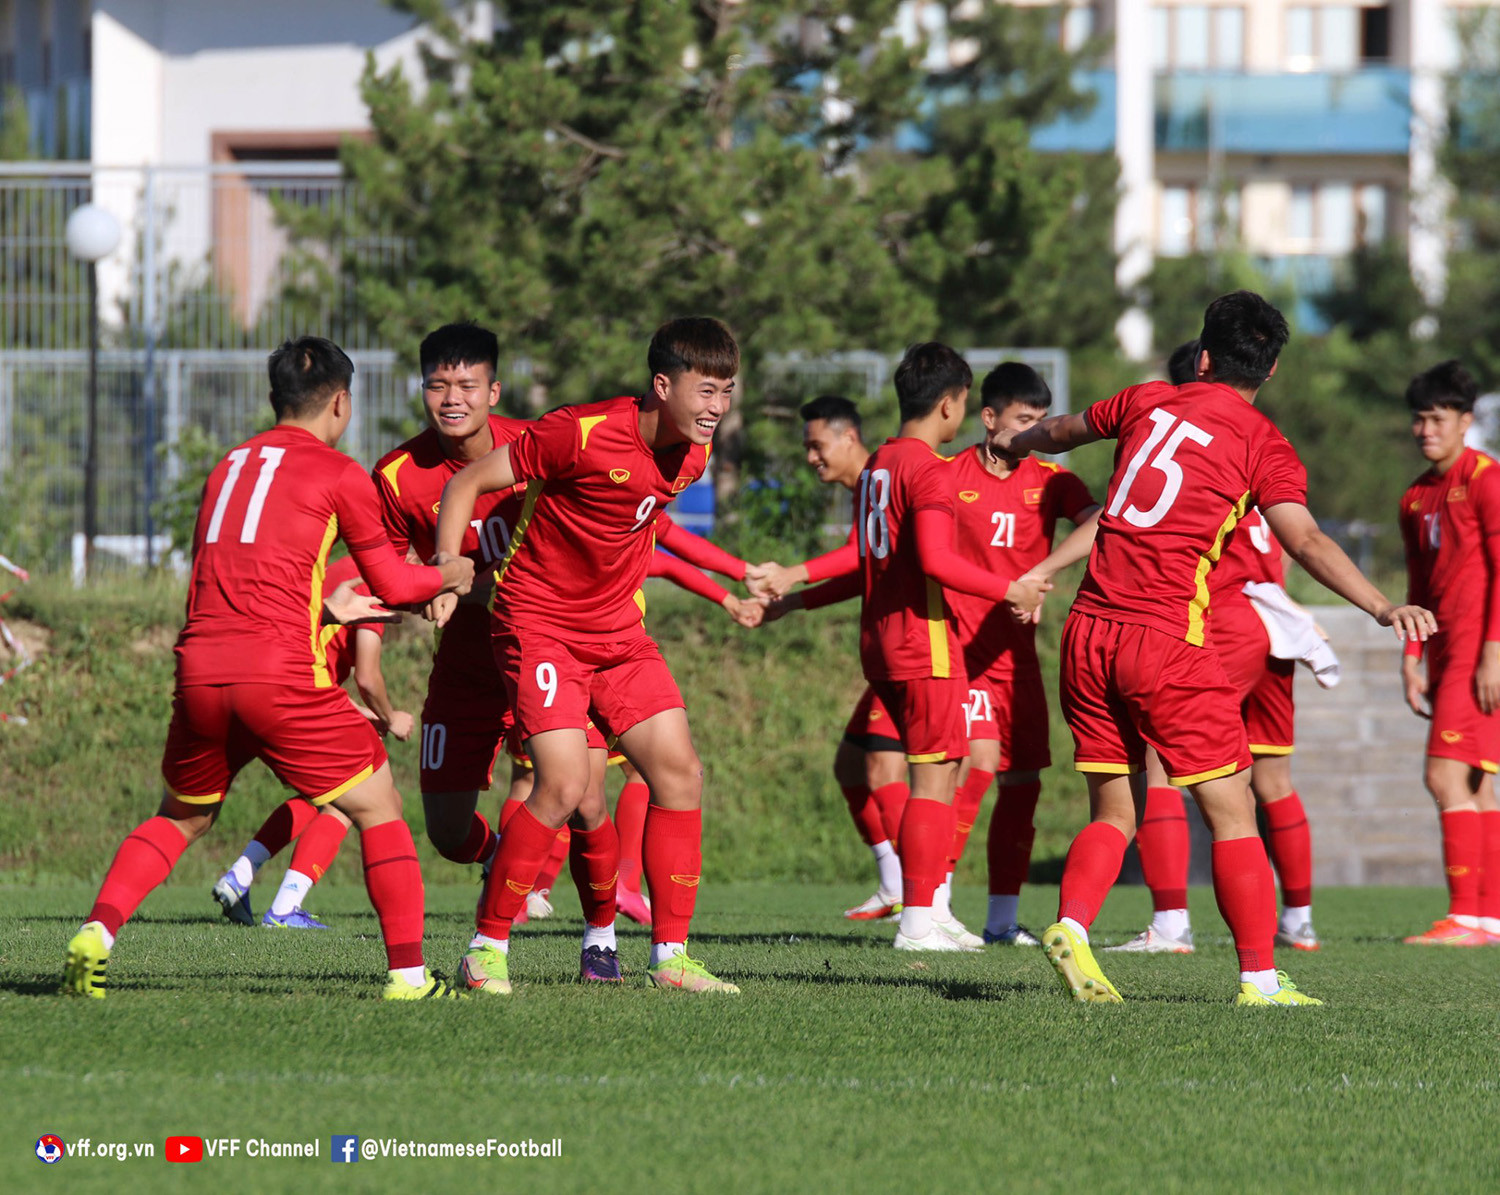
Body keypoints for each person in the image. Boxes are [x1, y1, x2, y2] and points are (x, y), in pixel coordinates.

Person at [996, 291, 1434, 1006]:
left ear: (1201, 357)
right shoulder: (1263, 442)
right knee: (1232, 810)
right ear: (1272, 370)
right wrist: (1383, 604)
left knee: (1114, 810)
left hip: (1087, 631)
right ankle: (1261, 979)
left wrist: (1014, 442)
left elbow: (1060, 431)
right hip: (1165, 638)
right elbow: (1307, 540)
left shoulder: (1144, 400)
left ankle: (1071, 925)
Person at [61, 336, 475, 1001]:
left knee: (181, 816)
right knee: (378, 806)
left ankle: (95, 934)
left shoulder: (227, 466)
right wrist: (453, 569)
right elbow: (397, 587)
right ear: (341, 402)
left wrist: (324, 610)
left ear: (272, 397)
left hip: (200, 666)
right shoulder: (340, 472)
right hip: (281, 673)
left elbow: (232, 577)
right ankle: (407, 975)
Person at [434, 316, 741, 994]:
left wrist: (731, 576)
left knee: (680, 773)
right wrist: (448, 566)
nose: (718, 406)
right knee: (564, 786)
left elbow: (634, 523)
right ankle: (485, 949)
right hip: (538, 624)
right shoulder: (578, 431)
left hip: (618, 636)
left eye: (727, 391)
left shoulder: (694, 453)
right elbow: (466, 485)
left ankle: (670, 959)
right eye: (706, 390)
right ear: (663, 385)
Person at [768, 343, 1047, 951]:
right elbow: (937, 560)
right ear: (951, 404)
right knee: (936, 774)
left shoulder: (877, 467)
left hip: (881, 643)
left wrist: (799, 598)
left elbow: (870, 565)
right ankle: (918, 921)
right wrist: (1011, 587)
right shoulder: (931, 468)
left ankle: (934, 912)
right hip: (925, 644)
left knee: (939, 773)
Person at [1106, 342, 1327, 956]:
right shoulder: (1264, 445)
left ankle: (1171, 923)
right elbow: (1292, 538)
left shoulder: (1188, 440)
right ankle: (1300, 919)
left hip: (1219, 623)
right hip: (1275, 627)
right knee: (1272, 778)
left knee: (1161, 770)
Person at [943, 363, 1100, 946]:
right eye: (1023, 422)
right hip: (961, 653)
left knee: (1023, 784)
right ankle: (929, 907)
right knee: (976, 766)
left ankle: (1001, 921)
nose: (1033, 433)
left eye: (1041, 423)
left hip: (1019, 662)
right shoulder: (949, 476)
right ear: (989, 420)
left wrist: (1041, 572)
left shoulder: (1051, 480)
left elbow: (1101, 524)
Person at [748, 396, 910, 920]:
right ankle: (895, 886)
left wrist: (794, 573)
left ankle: (929, 900)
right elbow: (859, 571)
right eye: (806, 448)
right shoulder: (865, 490)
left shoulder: (882, 478)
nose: (811, 457)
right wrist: (792, 603)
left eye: (817, 446)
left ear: (849, 438)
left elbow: (865, 552)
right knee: (850, 768)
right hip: (887, 651)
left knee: (886, 770)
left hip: (914, 647)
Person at [211, 554, 412, 929]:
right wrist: (390, 717)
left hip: (255, 684)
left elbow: (312, 653)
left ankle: (241, 874)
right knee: (358, 793)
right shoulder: (372, 586)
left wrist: (358, 712)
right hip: (295, 695)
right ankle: (285, 908)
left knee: (318, 794)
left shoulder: (338, 569)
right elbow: (367, 677)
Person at [1398, 359, 1500, 946]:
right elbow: (1419, 585)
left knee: (1443, 777)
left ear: (1465, 420)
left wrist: (1492, 654)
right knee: (1477, 785)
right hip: (1444, 652)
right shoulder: (1415, 496)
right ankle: (1485, 919)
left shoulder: (1486, 478)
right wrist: (1411, 656)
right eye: (1418, 418)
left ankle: (1463, 916)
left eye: (1437, 418)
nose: (1425, 429)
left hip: (1478, 650)